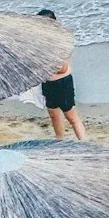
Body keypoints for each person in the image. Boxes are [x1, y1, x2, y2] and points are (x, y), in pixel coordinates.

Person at [36, 9, 85, 140]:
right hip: (48, 82)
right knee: (53, 114)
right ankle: (59, 140)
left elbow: (62, 68)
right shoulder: (40, 42)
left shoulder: (61, 40)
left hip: (62, 82)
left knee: (71, 116)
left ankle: (84, 142)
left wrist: (44, 65)